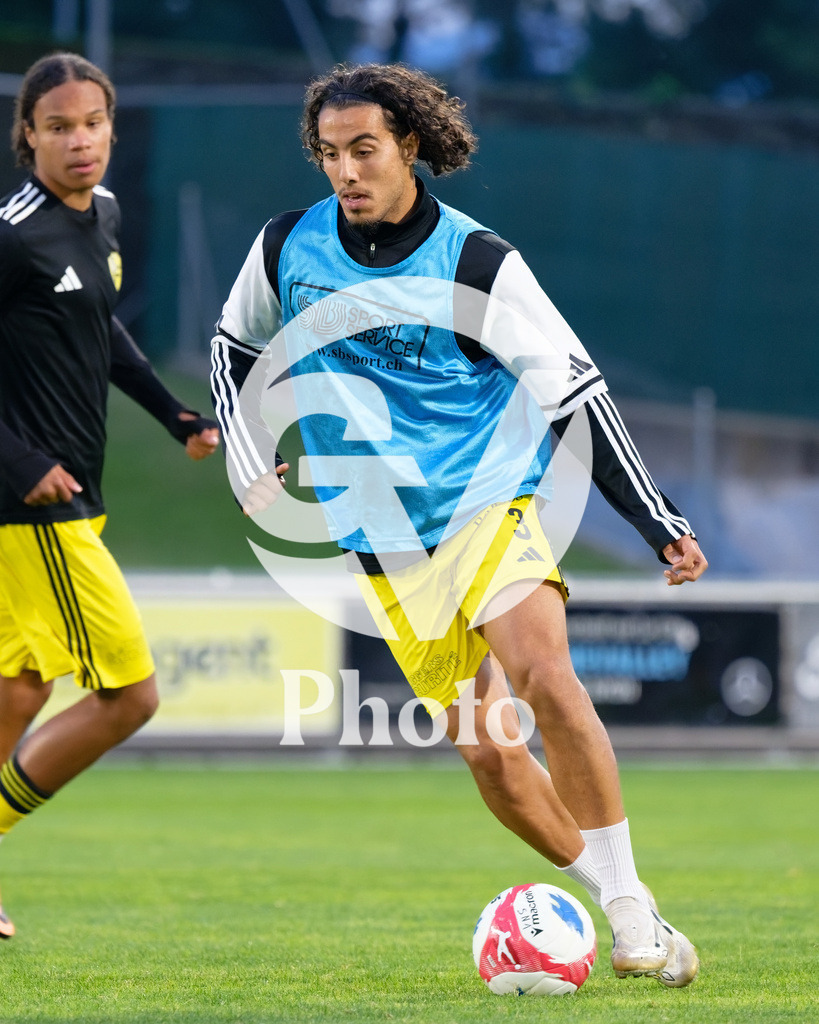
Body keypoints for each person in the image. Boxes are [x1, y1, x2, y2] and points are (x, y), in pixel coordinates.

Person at [210, 62, 707, 987]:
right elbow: (233, 346)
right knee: (488, 754)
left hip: (488, 498)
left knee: (543, 676)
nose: (345, 171)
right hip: (383, 536)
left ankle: (627, 909)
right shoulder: (285, 245)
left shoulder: (477, 262)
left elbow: (574, 392)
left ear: (409, 146)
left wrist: (654, 520)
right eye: (329, 153)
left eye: (364, 150)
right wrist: (245, 450)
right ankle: (621, 899)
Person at [0, 53, 220, 939]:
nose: (79, 140)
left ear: (113, 128)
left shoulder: (107, 216)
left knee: (20, 688)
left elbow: (105, 337)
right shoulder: (13, 236)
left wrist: (176, 417)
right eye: (58, 126)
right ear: (28, 136)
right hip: (32, 509)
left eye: (92, 122)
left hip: (72, 497)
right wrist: (19, 460)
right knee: (130, 696)